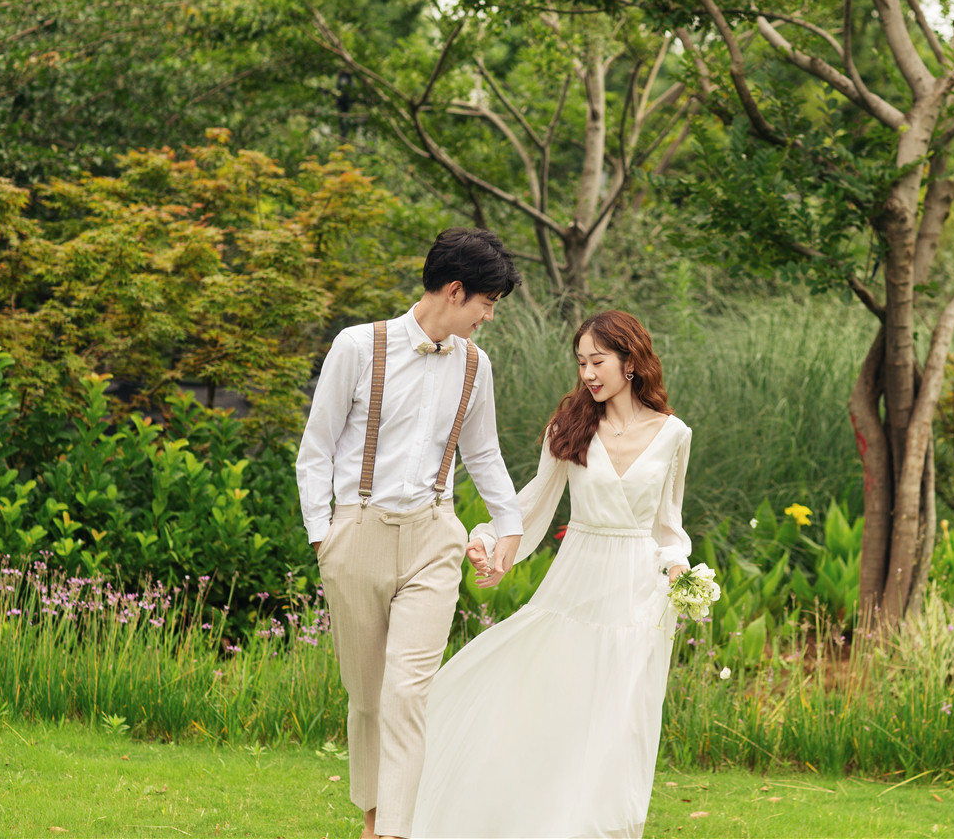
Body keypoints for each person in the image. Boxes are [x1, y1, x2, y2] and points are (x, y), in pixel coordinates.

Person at [412, 309, 694, 839]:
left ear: (630, 361)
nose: (587, 373)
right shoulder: (569, 429)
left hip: (639, 597)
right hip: (576, 584)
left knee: (621, 722)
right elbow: (533, 502)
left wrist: (679, 569)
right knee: (554, 704)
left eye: (598, 361)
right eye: (581, 362)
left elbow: (668, 525)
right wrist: (491, 541)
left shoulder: (673, 434)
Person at [296, 228, 526, 839]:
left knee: (407, 691)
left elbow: (483, 453)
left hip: (433, 538)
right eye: (487, 304)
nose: (487, 317)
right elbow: (316, 448)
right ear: (455, 290)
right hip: (357, 535)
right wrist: (324, 537)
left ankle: (393, 830)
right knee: (369, 697)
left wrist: (509, 526)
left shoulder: (476, 365)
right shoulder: (356, 347)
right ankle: (375, 817)